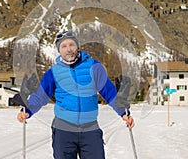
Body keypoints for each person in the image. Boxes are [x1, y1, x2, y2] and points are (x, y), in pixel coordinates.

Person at [17, 31, 135, 159]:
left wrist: (123, 113)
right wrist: (27, 110)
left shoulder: (94, 67)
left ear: (77, 46)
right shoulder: (54, 72)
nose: (68, 49)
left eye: (71, 44)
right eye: (64, 46)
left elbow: (109, 92)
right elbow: (41, 96)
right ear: (59, 50)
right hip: (63, 130)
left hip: (90, 129)